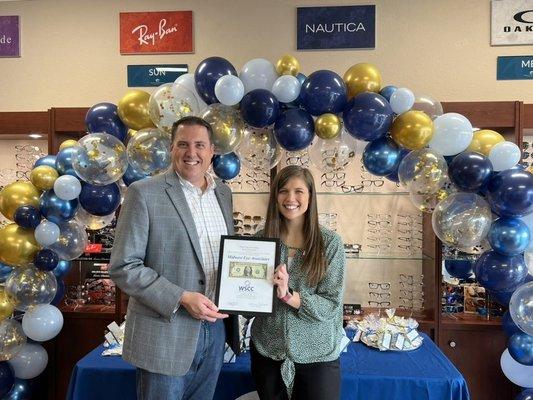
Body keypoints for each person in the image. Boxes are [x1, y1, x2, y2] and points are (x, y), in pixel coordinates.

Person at [109, 116, 238, 400]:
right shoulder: (143, 193)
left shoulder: (224, 195)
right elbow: (123, 266)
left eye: (200, 145)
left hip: (215, 332)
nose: (191, 153)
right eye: (183, 144)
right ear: (171, 149)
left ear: (212, 151)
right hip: (164, 334)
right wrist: (181, 297)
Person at [250, 165, 346, 400]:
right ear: (275, 197)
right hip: (268, 350)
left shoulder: (330, 243)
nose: (290, 198)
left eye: (299, 191)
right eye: (283, 191)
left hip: (317, 354)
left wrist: (289, 296)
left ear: (311, 197)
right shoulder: (261, 241)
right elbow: (249, 295)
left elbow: (331, 305)